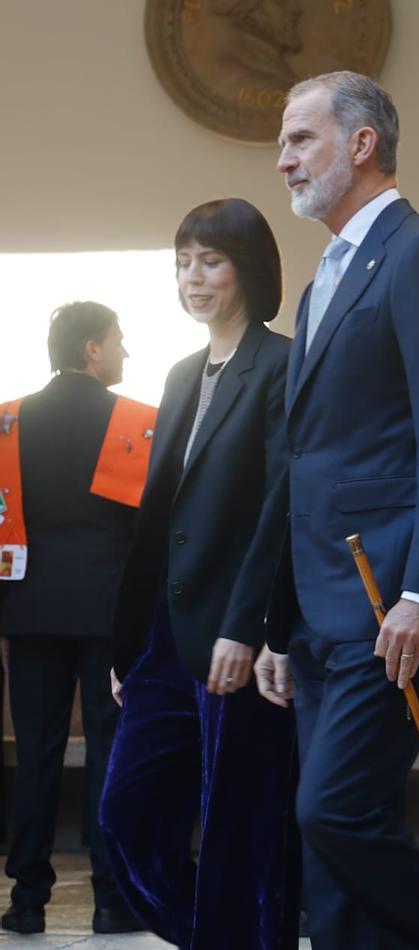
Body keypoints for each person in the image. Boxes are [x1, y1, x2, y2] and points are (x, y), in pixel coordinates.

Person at [260, 70, 419, 949]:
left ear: (362, 144)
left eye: (299, 139)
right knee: (331, 861)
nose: (282, 160)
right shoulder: (325, 276)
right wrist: (280, 622)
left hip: (389, 595)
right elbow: (306, 463)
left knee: (335, 813)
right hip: (320, 606)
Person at [98, 198, 299, 949]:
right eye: (182, 262)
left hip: (234, 636)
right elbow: (161, 518)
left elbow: (282, 505)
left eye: (209, 260)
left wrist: (249, 627)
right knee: (127, 815)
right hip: (162, 637)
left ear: (247, 269)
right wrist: (131, 650)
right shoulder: (182, 373)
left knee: (239, 830)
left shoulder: (281, 364)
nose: (192, 277)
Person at [0, 302, 149, 936]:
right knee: (112, 753)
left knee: (36, 753)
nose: (125, 352)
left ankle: (27, 899)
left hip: (28, 607)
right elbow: (149, 526)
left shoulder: (7, 421)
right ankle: (113, 897)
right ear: (92, 349)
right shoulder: (135, 421)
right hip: (109, 609)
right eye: (118, 341)